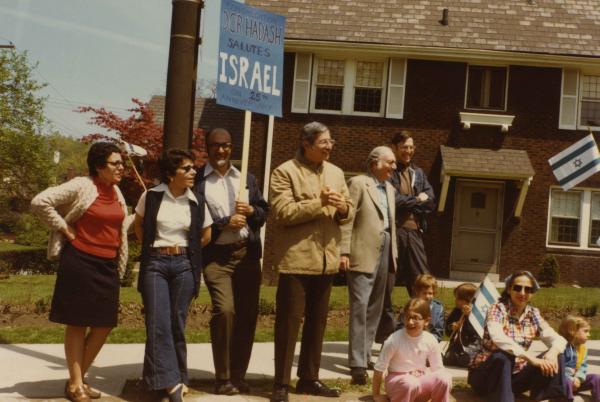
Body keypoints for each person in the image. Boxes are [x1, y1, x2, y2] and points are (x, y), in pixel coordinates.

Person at [31, 142, 130, 402]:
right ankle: (76, 384)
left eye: (122, 163)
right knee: (77, 322)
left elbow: (117, 227)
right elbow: (40, 202)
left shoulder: (116, 191)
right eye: (115, 163)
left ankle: (75, 378)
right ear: (99, 166)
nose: (121, 167)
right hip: (81, 261)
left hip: (107, 265)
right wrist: (65, 229)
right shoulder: (83, 185)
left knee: (104, 324)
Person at [269, 121, 354, 402]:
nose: (330, 147)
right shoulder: (284, 172)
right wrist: (319, 202)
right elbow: (283, 213)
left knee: (317, 323)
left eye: (331, 142)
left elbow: (348, 211)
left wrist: (342, 207)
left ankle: (309, 379)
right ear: (307, 144)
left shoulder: (337, 172)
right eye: (324, 143)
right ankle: (281, 384)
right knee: (288, 323)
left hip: (326, 261)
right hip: (296, 261)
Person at [133, 149, 212, 402]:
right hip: (155, 263)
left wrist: (187, 253)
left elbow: (205, 234)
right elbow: (138, 225)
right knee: (157, 322)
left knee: (176, 323)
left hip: (184, 265)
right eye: (186, 168)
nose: (193, 172)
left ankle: (174, 377)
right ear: (170, 173)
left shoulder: (196, 200)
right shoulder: (152, 196)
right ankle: (171, 385)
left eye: (193, 168)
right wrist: (153, 248)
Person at [195, 128, 269, 395]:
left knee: (247, 316)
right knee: (225, 311)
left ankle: (239, 375)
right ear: (207, 148)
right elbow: (193, 223)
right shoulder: (198, 181)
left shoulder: (245, 178)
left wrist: (250, 210)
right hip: (217, 257)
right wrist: (224, 224)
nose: (221, 151)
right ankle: (223, 377)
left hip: (246, 255)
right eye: (215, 146)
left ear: (232, 147)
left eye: (225, 145)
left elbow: (263, 212)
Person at [339, 146, 398, 385]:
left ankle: (365, 355)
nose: (394, 167)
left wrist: (394, 253)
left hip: (385, 247)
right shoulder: (358, 183)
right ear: (375, 163)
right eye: (390, 162)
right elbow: (347, 219)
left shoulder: (391, 189)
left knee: (375, 306)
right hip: (361, 250)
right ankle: (356, 363)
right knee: (360, 306)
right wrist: (344, 251)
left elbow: (390, 224)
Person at [468, 270, 567, 402]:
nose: (522, 293)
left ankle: (549, 398)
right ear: (509, 290)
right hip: (486, 377)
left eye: (528, 289)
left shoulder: (533, 314)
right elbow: (498, 339)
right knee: (504, 356)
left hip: (513, 379)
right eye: (518, 288)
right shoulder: (497, 309)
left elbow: (558, 339)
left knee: (557, 356)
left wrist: (553, 353)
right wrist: (530, 358)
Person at [376, 130, 435, 344]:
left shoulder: (418, 173)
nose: (408, 151)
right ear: (395, 148)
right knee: (387, 284)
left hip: (414, 233)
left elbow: (431, 201)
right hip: (394, 232)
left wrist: (417, 200)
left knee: (421, 281)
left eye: (411, 147)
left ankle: (418, 330)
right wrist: (417, 199)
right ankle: (386, 335)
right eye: (404, 147)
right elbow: (395, 200)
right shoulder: (390, 173)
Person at [372, 298, 452, 402]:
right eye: (407, 317)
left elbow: (438, 369)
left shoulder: (430, 339)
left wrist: (440, 382)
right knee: (410, 383)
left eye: (415, 318)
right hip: (399, 383)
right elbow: (379, 368)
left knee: (444, 378)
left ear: (426, 321)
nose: (410, 322)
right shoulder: (394, 340)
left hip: (420, 381)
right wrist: (376, 395)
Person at [558, 315, 600, 402]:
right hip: (562, 382)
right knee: (567, 382)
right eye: (586, 331)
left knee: (596, 378)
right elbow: (558, 370)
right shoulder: (560, 347)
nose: (589, 334)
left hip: (576, 382)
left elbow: (583, 366)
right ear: (572, 331)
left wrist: (578, 378)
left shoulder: (583, 348)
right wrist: (570, 379)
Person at [396, 274, 444, 342]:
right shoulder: (411, 306)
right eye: (424, 293)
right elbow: (400, 327)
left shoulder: (438, 308)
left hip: (428, 343)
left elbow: (438, 332)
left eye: (430, 293)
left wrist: (426, 342)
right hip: (409, 341)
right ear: (417, 292)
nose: (427, 296)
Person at [444, 282, 480, 367]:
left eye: (458, 299)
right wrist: (452, 327)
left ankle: (466, 359)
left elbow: (476, 333)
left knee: (465, 361)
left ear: (468, 300)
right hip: (456, 345)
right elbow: (447, 331)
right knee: (447, 360)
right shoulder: (456, 311)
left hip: (471, 346)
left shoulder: (476, 314)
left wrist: (468, 317)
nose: (455, 301)